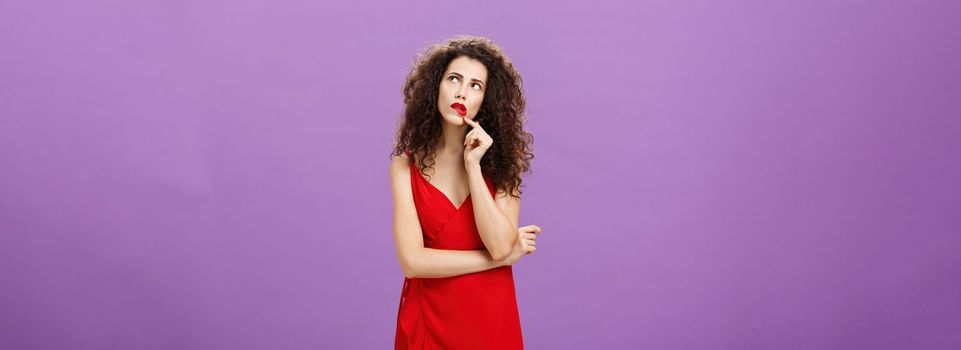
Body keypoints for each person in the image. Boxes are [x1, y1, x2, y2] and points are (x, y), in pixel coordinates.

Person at [389, 35, 541, 349]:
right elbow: (413, 263)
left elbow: (499, 245)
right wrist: (497, 262)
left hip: (489, 316)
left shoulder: (502, 161)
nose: (462, 91)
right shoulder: (405, 166)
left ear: (486, 99)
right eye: (454, 79)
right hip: (427, 318)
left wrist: (474, 166)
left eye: (476, 85)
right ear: (436, 86)